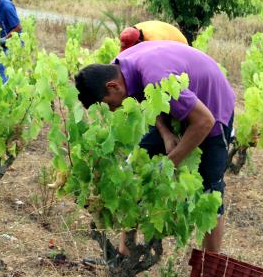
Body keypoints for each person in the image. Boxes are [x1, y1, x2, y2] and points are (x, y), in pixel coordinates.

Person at [74, 41, 235, 253]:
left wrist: (169, 165)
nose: (113, 110)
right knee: (136, 168)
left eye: (110, 105)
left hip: (213, 107)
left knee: (210, 191)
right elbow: (150, 100)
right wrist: (165, 132)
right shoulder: (117, 69)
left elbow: (205, 121)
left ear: (113, 87)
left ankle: (208, 271)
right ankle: (125, 254)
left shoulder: (156, 77)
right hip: (177, 102)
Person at [119, 20, 188, 52]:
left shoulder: (154, 38)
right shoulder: (131, 31)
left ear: (138, 41)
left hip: (179, 46)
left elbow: (156, 58)